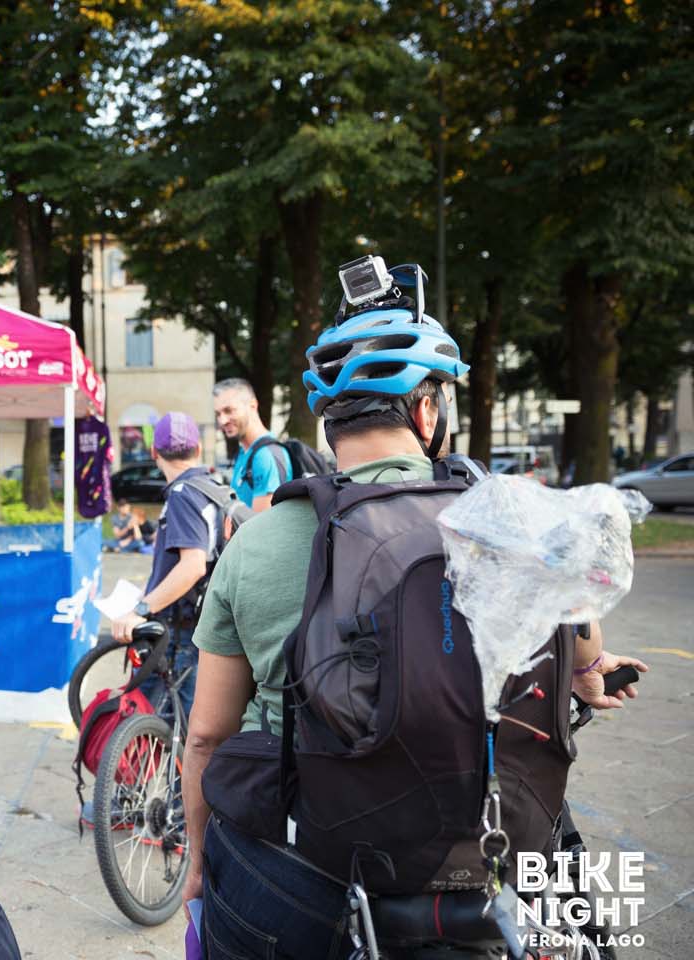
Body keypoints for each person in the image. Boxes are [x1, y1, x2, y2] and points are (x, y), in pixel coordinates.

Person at [181, 274, 648, 959]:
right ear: (428, 413)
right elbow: (578, 645)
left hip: (302, 865)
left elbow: (204, 737)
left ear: (329, 422)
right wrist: (589, 668)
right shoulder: (504, 521)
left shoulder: (256, 541)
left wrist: (197, 865)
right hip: (473, 861)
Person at [110, 412, 226, 718]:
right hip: (197, 625)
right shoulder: (210, 488)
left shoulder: (182, 495)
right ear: (198, 449)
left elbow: (193, 566)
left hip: (177, 633)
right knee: (180, 723)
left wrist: (140, 610)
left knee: (157, 723)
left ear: (153, 452)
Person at [213, 377, 291, 512]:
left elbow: (263, 523)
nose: (222, 420)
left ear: (253, 406)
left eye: (229, 410)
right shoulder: (244, 451)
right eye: (218, 414)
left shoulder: (265, 456)